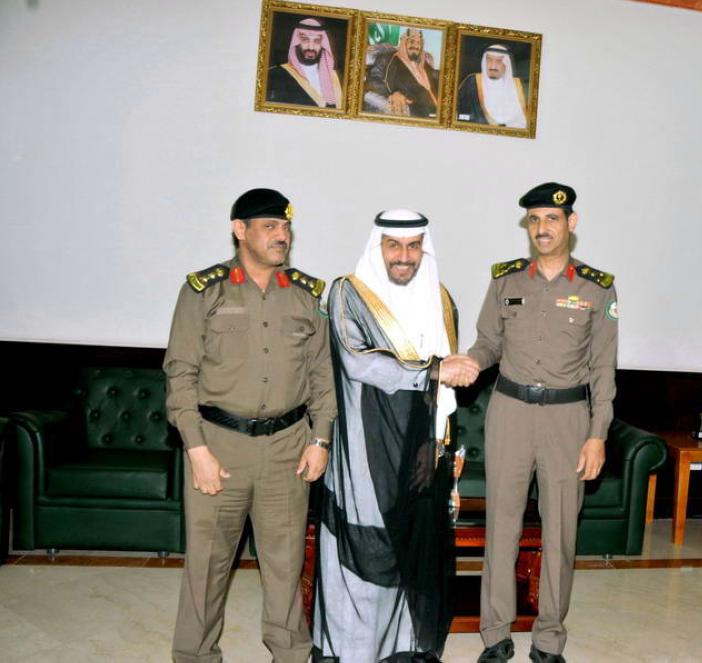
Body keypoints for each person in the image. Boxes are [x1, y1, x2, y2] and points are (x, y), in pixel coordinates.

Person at [165, 188, 336, 663]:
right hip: (219, 447)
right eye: (270, 226)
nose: (282, 236)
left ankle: (290, 653)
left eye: (286, 227)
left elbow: (322, 375)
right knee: (208, 565)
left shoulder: (306, 295)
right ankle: (196, 656)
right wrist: (196, 448)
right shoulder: (205, 291)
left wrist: (321, 438)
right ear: (239, 230)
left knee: (285, 563)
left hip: (288, 447)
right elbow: (180, 374)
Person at [312, 209, 478, 663]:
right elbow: (357, 361)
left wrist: (437, 445)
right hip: (365, 445)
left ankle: (402, 649)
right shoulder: (348, 293)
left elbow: (445, 389)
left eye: (413, 246)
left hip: (422, 446)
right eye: (394, 245)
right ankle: (353, 651)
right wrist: (432, 370)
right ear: (378, 246)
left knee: (413, 545)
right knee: (366, 541)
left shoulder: (440, 298)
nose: (404, 256)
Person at [468, 183, 618, 663]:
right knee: (502, 527)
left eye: (551, 218)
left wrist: (597, 435)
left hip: (567, 419)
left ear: (571, 223)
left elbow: (603, 369)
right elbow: (487, 343)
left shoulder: (597, 287)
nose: (542, 228)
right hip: (509, 412)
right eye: (534, 220)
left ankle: (549, 638)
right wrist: (470, 361)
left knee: (560, 533)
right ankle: (495, 634)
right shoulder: (505, 281)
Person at [267, 17, 343, 108]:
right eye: (305, 40)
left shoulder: (335, 77)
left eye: (317, 41)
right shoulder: (276, 75)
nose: (311, 47)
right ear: (296, 42)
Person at [366, 28, 440, 118]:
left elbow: (438, 80)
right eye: (412, 41)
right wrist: (394, 94)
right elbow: (374, 81)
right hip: (417, 113)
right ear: (404, 42)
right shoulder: (388, 59)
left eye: (419, 43)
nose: (416, 46)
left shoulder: (424, 64)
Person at [456, 44, 528, 128]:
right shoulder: (471, 82)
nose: (493, 66)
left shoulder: (519, 86)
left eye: (499, 61)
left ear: (506, 64)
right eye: (489, 60)